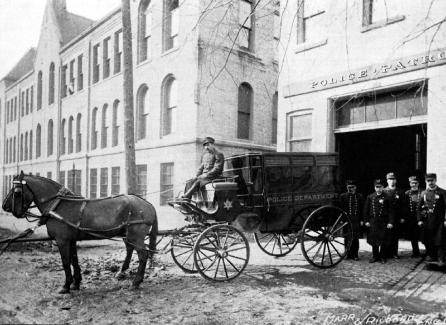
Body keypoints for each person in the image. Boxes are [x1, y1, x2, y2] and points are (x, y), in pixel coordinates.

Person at [417, 173, 446, 266]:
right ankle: (432, 256)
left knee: (440, 240)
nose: (430, 182)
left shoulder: (442, 192)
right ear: (426, 181)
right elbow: (419, 209)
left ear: (435, 180)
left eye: (432, 180)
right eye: (428, 181)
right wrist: (419, 219)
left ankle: (441, 258)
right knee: (428, 239)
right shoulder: (423, 193)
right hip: (428, 221)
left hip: (439, 221)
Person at [363, 179, 394, 263]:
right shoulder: (370, 197)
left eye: (380, 187)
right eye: (377, 187)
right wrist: (366, 221)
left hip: (383, 221)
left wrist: (390, 222)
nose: (378, 189)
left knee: (383, 239)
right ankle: (375, 256)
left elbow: (391, 211)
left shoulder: (387, 197)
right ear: (374, 187)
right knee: (374, 239)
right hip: (373, 221)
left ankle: (383, 257)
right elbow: (366, 210)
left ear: (383, 187)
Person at [339, 179, 364, 260]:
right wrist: (342, 219)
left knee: (355, 238)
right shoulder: (343, 196)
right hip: (347, 220)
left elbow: (362, 209)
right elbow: (340, 209)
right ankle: (347, 254)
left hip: (356, 220)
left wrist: (361, 220)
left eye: (352, 187)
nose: (350, 189)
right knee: (347, 238)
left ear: (355, 187)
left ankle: (355, 255)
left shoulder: (360, 196)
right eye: (349, 187)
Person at [383, 172, 405, 259]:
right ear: (387, 181)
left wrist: (403, 217)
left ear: (396, 180)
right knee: (386, 235)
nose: (391, 181)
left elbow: (404, 205)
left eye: (393, 179)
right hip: (386, 217)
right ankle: (386, 253)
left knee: (395, 236)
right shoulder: (384, 191)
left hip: (397, 216)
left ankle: (394, 253)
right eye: (389, 179)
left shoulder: (400, 192)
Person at [404, 176, 422, 257]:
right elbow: (404, 206)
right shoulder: (407, 193)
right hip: (411, 217)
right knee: (413, 235)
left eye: (415, 183)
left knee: (423, 234)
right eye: (412, 183)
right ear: (410, 184)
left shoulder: (422, 192)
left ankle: (429, 252)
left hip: (421, 217)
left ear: (418, 183)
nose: (414, 184)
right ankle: (415, 252)